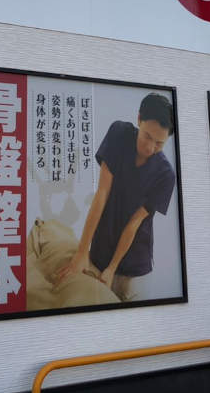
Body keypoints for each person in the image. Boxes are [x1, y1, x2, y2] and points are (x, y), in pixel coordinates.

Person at [56, 93, 176, 302]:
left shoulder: (166, 175)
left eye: (159, 143)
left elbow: (135, 222)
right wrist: (82, 252)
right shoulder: (119, 134)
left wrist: (112, 269)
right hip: (98, 255)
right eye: (147, 136)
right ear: (139, 119)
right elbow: (102, 194)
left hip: (135, 269)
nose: (150, 148)